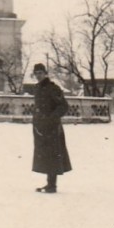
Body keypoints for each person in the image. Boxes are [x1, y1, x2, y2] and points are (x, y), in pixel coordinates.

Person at [31, 63, 72, 193]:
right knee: (45, 155)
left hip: (52, 128)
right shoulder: (37, 88)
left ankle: (52, 185)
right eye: (36, 73)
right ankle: (49, 183)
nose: (38, 76)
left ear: (45, 73)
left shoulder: (53, 88)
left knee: (53, 155)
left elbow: (63, 106)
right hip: (41, 127)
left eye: (40, 73)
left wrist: (51, 118)